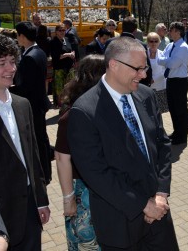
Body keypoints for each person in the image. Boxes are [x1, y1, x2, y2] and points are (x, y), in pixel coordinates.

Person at [67, 37, 179, 250]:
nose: (144, 75)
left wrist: (162, 193)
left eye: (144, 68)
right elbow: (96, 174)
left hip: (158, 212)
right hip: (120, 223)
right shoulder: (84, 111)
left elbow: (162, 144)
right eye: (137, 69)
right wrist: (142, 205)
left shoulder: (146, 96)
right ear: (113, 65)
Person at [0, 34, 50, 251]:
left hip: (28, 209)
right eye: (2, 64)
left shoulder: (22, 105)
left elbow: (32, 155)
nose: (11, 69)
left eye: (13, 62)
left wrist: (41, 199)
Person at [55, 55, 106, 250]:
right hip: (82, 192)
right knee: (86, 242)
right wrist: (68, 199)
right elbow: (61, 158)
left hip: (103, 187)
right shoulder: (72, 115)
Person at [11, 22, 52, 185]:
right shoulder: (38, 51)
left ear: (22, 36)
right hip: (39, 102)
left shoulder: (29, 57)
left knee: (38, 140)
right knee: (42, 139)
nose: (16, 39)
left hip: (33, 105)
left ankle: (44, 173)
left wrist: (7, 92)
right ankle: (46, 171)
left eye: (17, 35)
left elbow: (25, 87)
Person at [158, 21, 188, 145]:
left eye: (171, 30)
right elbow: (160, 59)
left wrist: (165, 61)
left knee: (180, 109)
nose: (169, 32)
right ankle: (176, 132)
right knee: (172, 108)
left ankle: (182, 137)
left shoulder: (183, 47)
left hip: (180, 82)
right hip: (170, 81)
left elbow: (172, 64)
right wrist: (166, 60)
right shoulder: (171, 45)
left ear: (178, 32)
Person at [49, 23, 75, 107]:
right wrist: (68, 54)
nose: (62, 32)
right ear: (56, 32)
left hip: (69, 67)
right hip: (59, 69)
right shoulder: (53, 42)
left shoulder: (67, 39)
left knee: (69, 87)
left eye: (63, 30)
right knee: (60, 89)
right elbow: (56, 56)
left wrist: (72, 54)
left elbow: (71, 49)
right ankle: (61, 107)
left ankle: (68, 105)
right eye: (60, 30)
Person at [146, 32, 169, 114]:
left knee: (159, 112)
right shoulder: (144, 54)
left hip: (159, 86)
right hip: (146, 86)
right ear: (148, 42)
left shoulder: (163, 54)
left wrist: (154, 79)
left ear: (159, 42)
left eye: (156, 41)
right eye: (151, 41)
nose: (153, 43)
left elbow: (166, 71)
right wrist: (148, 79)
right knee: (148, 111)